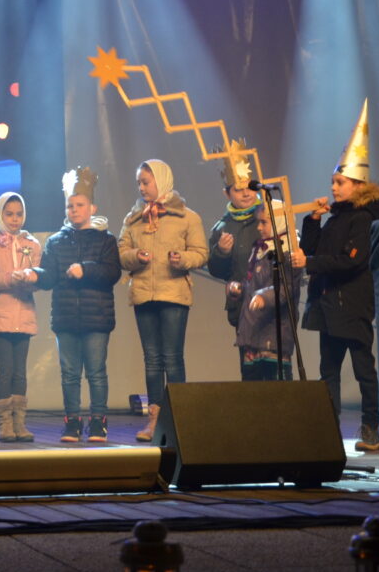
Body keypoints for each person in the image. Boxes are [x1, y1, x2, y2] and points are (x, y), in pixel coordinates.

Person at [292, 101, 379, 452]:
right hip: (328, 304)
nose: (333, 188)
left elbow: (350, 262)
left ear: (358, 185)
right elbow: (313, 250)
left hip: (352, 305)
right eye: (333, 182)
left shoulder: (364, 219)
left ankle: (371, 427)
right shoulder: (335, 218)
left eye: (340, 182)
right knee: (328, 370)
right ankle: (327, 429)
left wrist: (311, 262)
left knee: (363, 369)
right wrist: (313, 221)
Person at [117, 158, 208, 442]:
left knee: (172, 357)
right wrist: (136, 256)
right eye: (139, 183)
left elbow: (201, 253)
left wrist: (183, 259)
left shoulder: (187, 217)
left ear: (162, 181)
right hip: (144, 294)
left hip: (174, 294)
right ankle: (155, 421)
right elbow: (121, 253)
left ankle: (179, 420)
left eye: (146, 182)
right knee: (152, 359)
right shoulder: (134, 218)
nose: (141, 188)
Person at [34, 167, 122, 443]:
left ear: (92, 208)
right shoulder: (55, 242)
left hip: (97, 318)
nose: (74, 210)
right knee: (70, 374)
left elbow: (113, 272)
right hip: (66, 317)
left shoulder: (106, 240)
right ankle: (72, 422)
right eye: (70, 205)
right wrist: (35, 275)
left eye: (80, 205)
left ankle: (98, 422)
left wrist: (86, 269)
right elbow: (49, 277)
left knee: (96, 372)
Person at [0, 190, 43, 443]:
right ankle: (4, 423)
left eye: (19, 214)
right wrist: (10, 278)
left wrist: (31, 278)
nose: (14, 219)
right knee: (6, 369)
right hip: (0, 315)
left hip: (23, 314)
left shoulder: (32, 243)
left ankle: (19, 423)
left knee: (20, 372)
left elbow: (38, 276)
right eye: (9, 214)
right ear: (0, 214)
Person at [235, 199, 303, 381]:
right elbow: (255, 282)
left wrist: (264, 297)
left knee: (276, 386)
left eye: (264, 222)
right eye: (258, 222)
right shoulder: (260, 250)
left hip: (274, 331)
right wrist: (240, 288)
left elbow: (287, 286)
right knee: (253, 387)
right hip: (254, 329)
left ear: (279, 222)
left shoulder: (290, 251)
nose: (259, 227)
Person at [206, 158, 262, 335]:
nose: (246, 193)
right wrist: (221, 252)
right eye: (238, 190)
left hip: (271, 303)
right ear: (227, 193)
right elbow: (217, 271)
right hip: (241, 304)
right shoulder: (222, 227)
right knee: (247, 350)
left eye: (250, 187)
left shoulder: (270, 217)